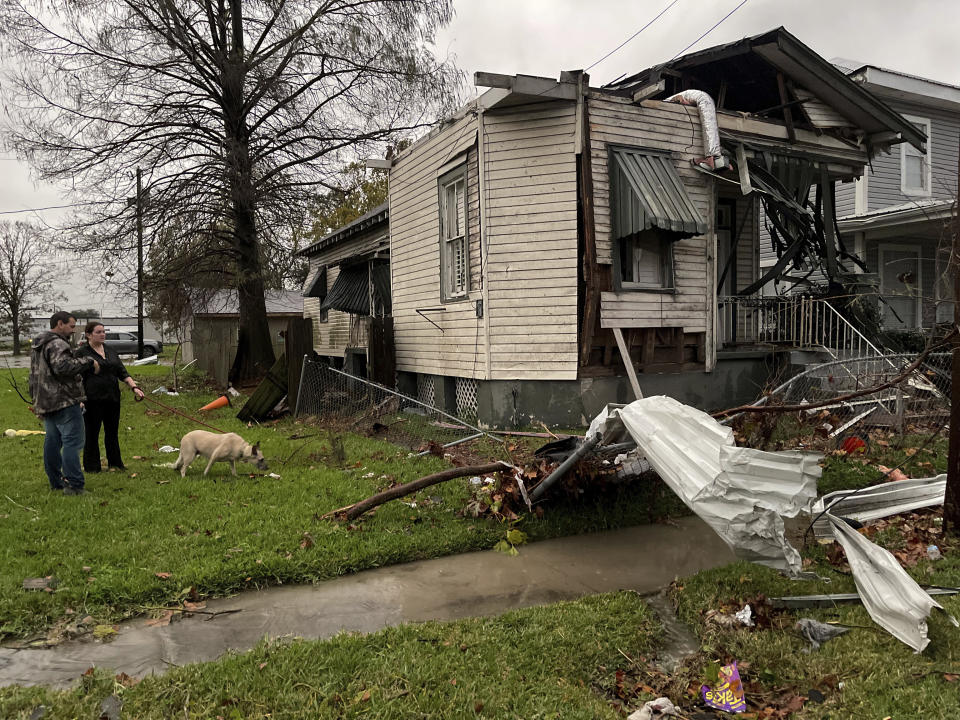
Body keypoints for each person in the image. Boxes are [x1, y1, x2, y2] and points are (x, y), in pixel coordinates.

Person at [29, 311, 100, 495]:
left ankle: (56, 482)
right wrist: (89, 361)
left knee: (52, 442)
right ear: (60, 324)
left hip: (46, 401)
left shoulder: (39, 344)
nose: (73, 329)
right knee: (73, 442)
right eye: (71, 325)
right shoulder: (58, 343)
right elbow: (63, 367)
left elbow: (34, 375)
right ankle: (75, 485)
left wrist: (36, 401)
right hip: (64, 401)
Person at [77, 322, 146, 472]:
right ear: (89, 335)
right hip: (92, 399)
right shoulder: (82, 352)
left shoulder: (110, 350)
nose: (103, 334)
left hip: (112, 398)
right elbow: (76, 378)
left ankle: (115, 463)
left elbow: (122, 371)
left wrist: (134, 387)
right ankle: (92, 466)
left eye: (104, 331)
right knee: (92, 433)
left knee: (112, 432)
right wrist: (79, 399)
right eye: (98, 332)